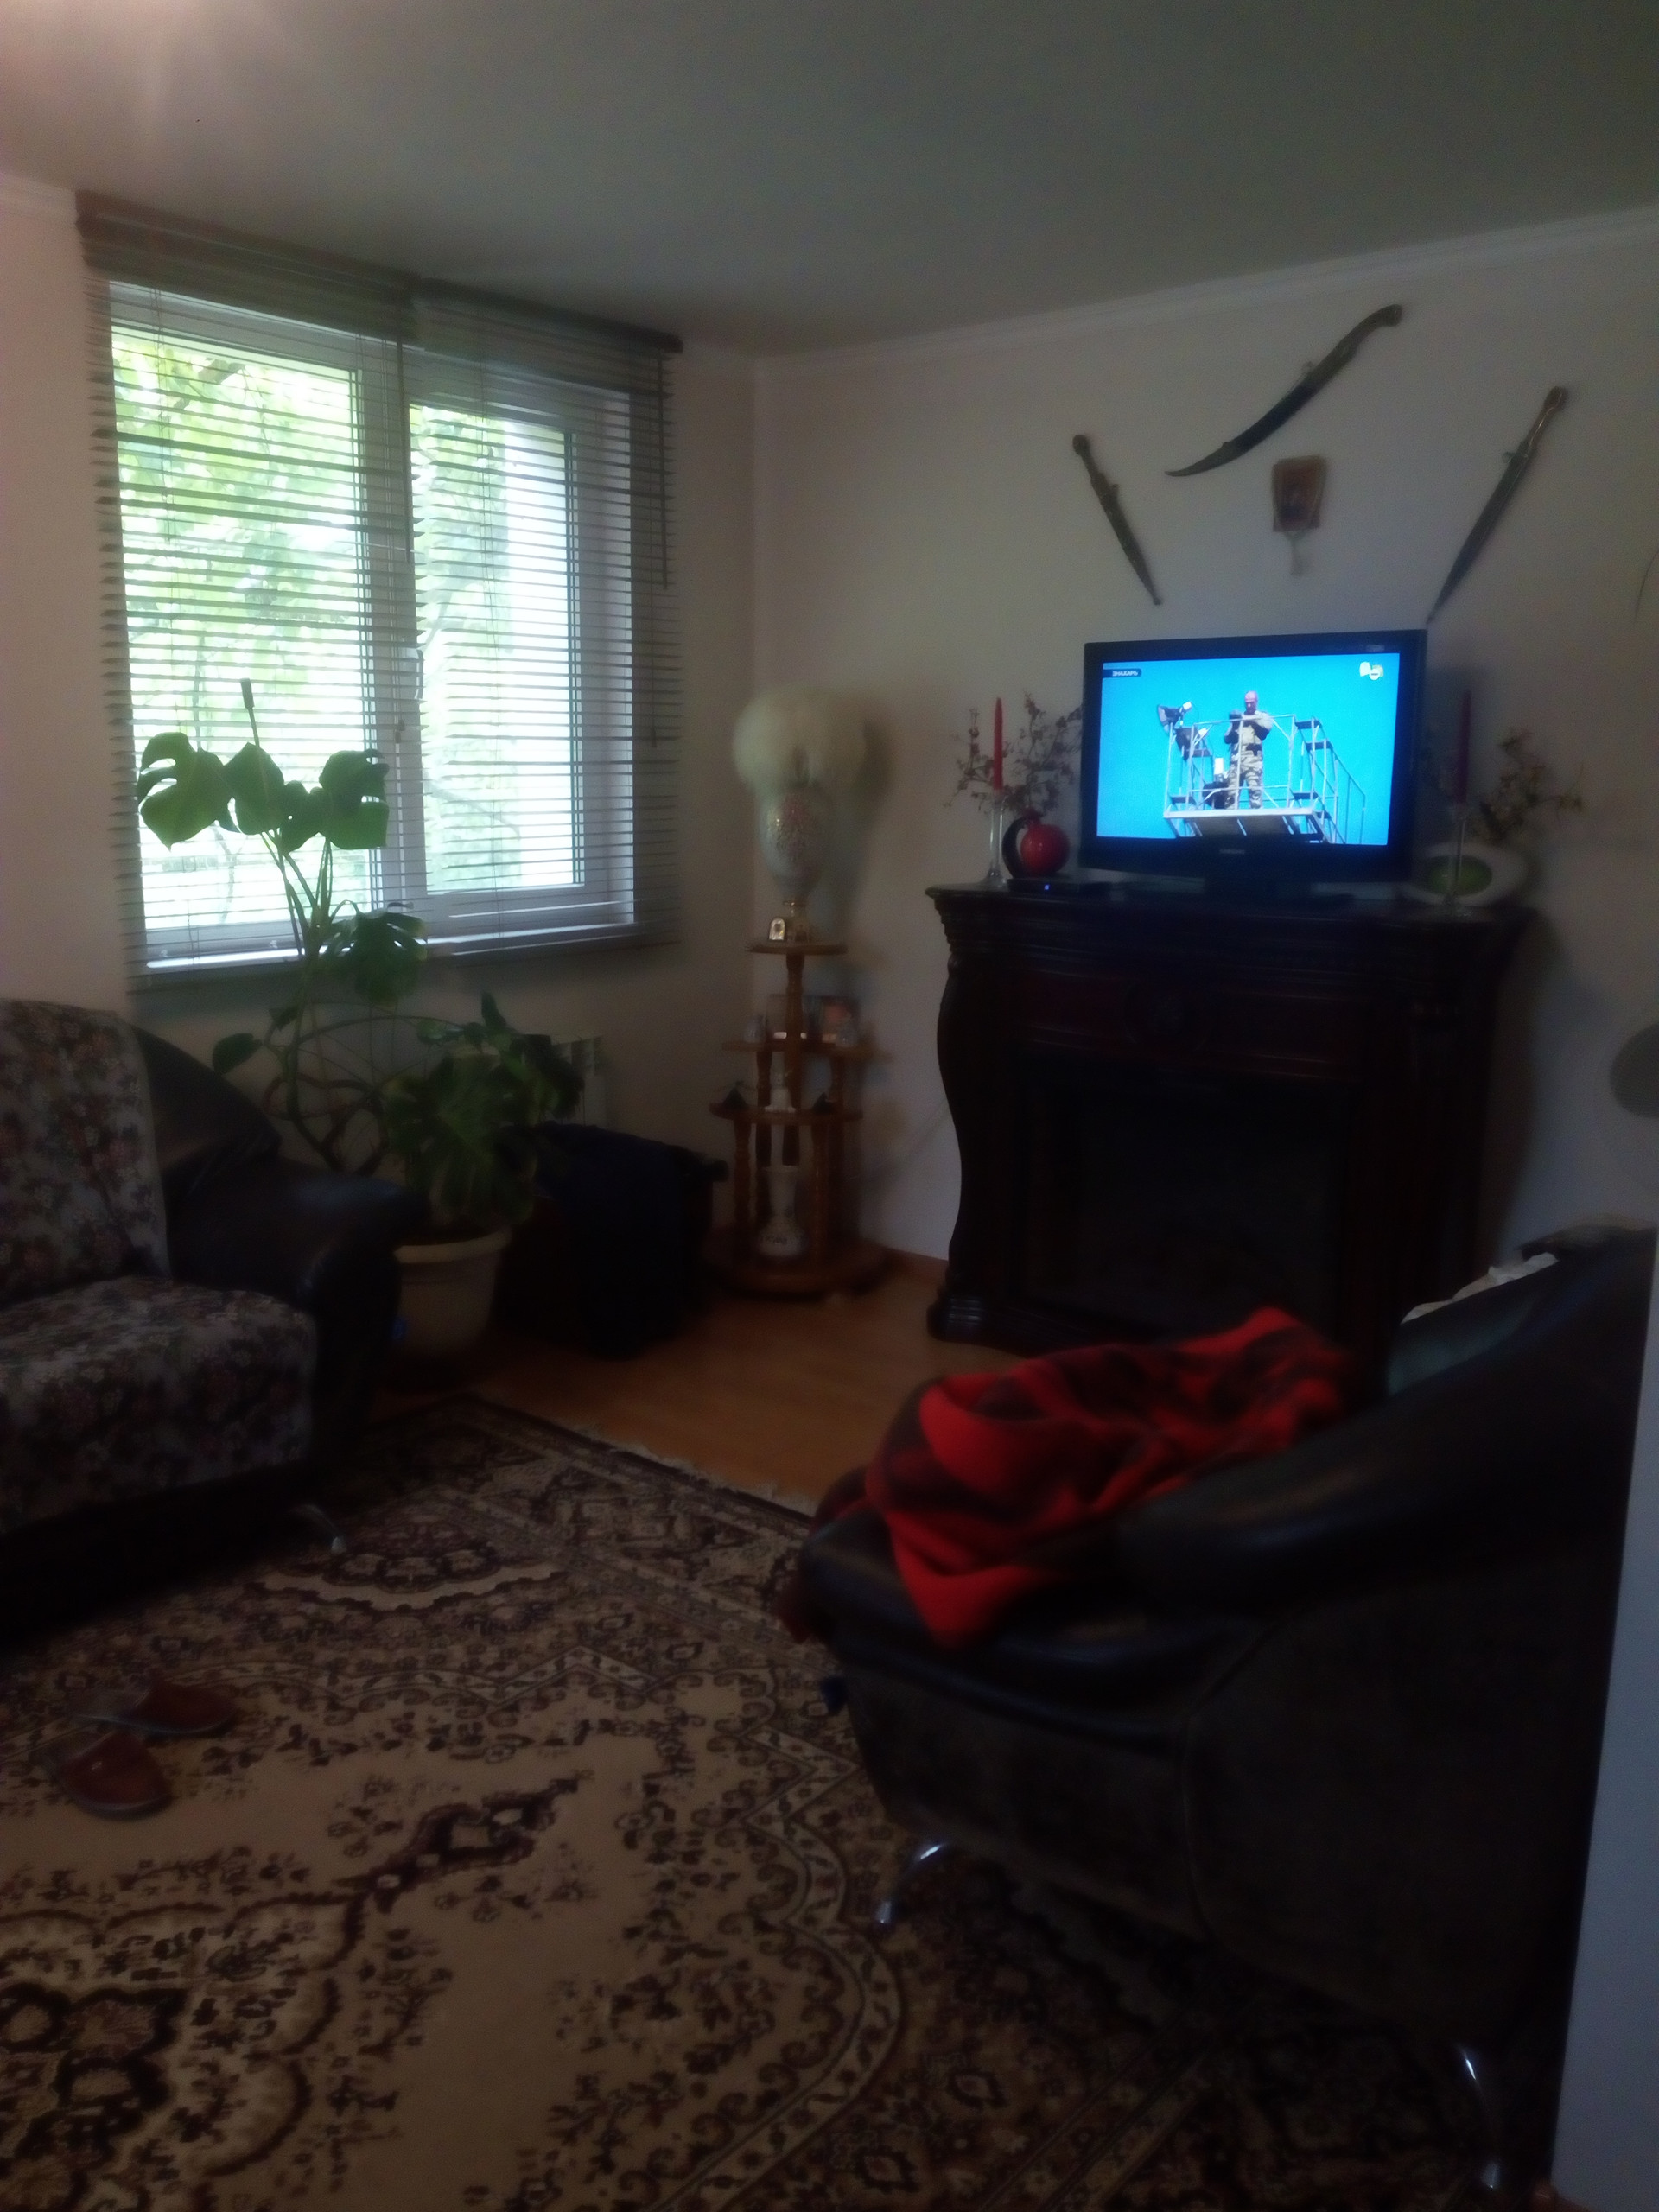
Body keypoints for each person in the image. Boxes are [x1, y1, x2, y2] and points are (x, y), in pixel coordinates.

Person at [1229, 689, 1272, 808]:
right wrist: (1234, 725)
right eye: (1246, 703)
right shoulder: (1239, 718)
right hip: (1236, 760)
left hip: (1252, 760)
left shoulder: (1262, 716)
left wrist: (1251, 720)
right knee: (1231, 794)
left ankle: (1256, 816)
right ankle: (1229, 816)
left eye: (1251, 703)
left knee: (1254, 791)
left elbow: (1266, 729)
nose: (1248, 705)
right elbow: (1227, 738)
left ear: (1256, 702)